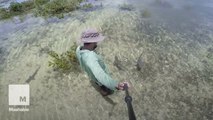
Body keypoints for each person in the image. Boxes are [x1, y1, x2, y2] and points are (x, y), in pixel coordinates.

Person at [76, 29, 130, 96]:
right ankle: (105, 92)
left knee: (98, 82)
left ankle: (102, 89)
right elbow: (100, 75)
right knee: (104, 86)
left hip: (91, 74)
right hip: (98, 79)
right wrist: (117, 85)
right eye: (96, 41)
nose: (97, 42)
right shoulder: (91, 57)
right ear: (92, 42)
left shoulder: (79, 49)